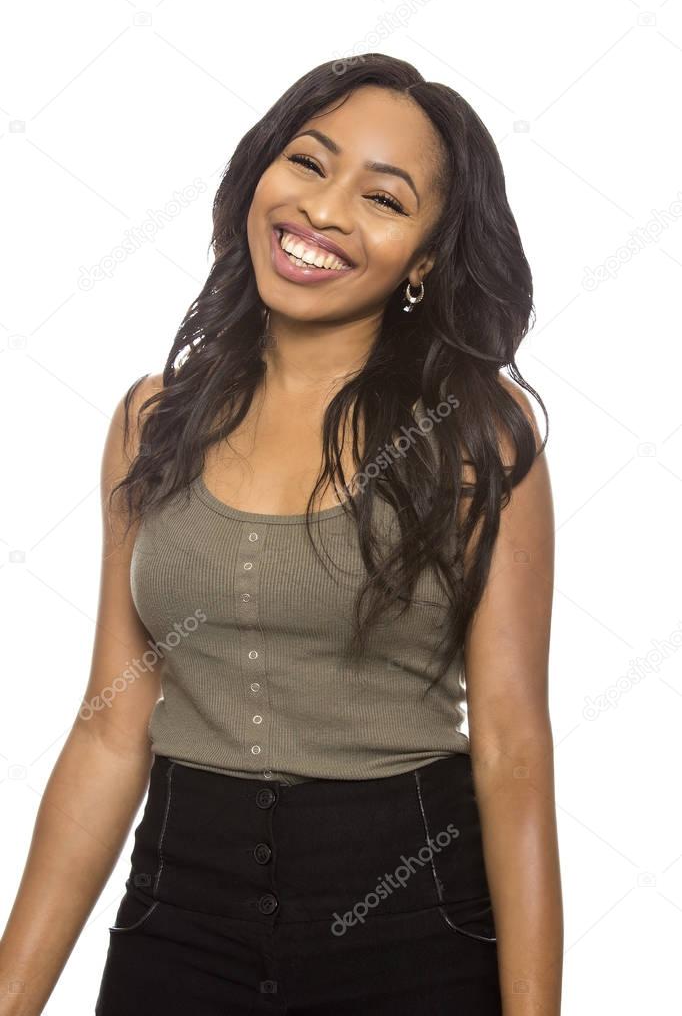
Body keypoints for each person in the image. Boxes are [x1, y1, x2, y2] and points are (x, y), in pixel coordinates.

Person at [0, 53, 562, 1015]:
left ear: (425, 259)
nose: (326, 210)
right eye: (308, 161)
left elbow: (512, 748)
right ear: (260, 171)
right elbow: (111, 724)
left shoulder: (476, 433)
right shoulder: (156, 419)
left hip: (413, 927)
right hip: (178, 921)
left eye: (383, 199)